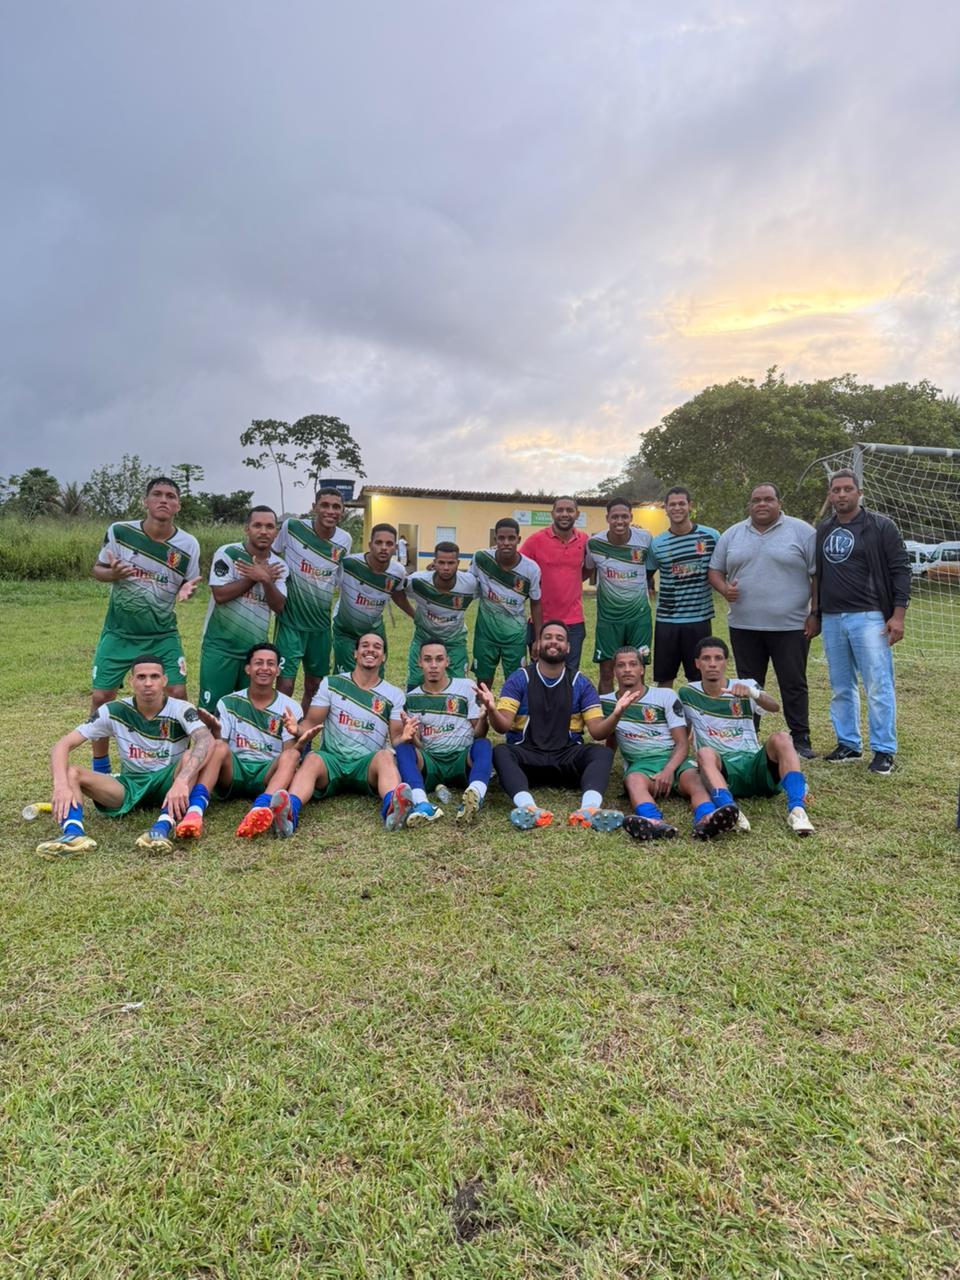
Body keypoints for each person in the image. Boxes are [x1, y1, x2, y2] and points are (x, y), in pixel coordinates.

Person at [38, 656, 214, 858]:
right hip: (130, 785)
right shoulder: (113, 710)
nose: (148, 683)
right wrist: (60, 784)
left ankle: (162, 828)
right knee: (72, 773)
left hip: (169, 781)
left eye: (154, 676)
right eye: (141, 677)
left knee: (190, 756)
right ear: (131, 681)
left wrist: (182, 781)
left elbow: (205, 740)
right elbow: (62, 745)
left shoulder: (181, 708)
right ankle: (74, 834)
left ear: (164, 680)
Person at [89, 476, 201, 772]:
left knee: (177, 694)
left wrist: (187, 590)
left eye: (170, 496)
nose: (164, 500)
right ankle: (100, 766)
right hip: (119, 632)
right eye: (157, 494)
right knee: (102, 696)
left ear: (178, 504)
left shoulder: (188, 544)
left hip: (162, 634)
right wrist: (112, 574)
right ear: (146, 501)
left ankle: (178, 764)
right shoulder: (120, 532)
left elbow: (190, 583)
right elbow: (97, 569)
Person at [809, 469, 910, 775]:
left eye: (847, 489)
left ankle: (883, 750)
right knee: (841, 686)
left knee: (878, 685)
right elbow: (817, 576)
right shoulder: (824, 529)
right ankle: (849, 743)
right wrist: (815, 613)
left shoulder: (880, 526)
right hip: (833, 618)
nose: (841, 494)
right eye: (836, 490)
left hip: (869, 617)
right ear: (830, 495)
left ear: (859, 493)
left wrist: (898, 615)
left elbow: (901, 570)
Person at [477, 620, 619, 831]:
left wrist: (617, 714)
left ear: (568, 647)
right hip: (528, 760)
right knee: (501, 752)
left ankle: (589, 810)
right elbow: (503, 726)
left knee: (602, 754)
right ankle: (529, 808)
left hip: (566, 759)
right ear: (537, 644)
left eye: (560, 638)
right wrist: (492, 709)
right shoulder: (519, 678)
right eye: (548, 637)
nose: (554, 642)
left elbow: (597, 732)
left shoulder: (580, 683)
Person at [708, 483, 816, 759]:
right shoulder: (733, 534)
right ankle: (748, 735)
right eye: (756, 500)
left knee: (793, 683)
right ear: (749, 505)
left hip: (791, 626)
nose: (762, 504)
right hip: (744, 626)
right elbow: (714, 571)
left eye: (768, 499)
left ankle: (801, 738)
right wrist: (723, 589)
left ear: (779, 502)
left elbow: (817, 576)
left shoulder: (802, 531)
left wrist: (815, 613)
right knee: (748, 685)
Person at [591, 646, 739, 841]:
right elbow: (606, 736)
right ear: (614, 670)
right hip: (641, 765)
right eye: (621, 665)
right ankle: (653, 822)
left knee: (695, 781)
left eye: (633, 664)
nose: (627, 669)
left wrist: (669, 770)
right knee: (633, 781)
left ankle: (707, 817)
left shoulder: (664, 696)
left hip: (673, 759)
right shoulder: (606, 702)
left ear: (642, 669)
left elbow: (681, 743)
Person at [678, 636, 815, 836]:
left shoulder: (744, 685)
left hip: (753, 764)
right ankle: (730, 811)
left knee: (782, 738)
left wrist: (753, 693)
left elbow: (775, 707)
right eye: (706, 659)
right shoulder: (687, 693)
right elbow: (682, 730)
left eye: (718, 658)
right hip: (723, 769)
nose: (713, 664)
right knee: (705, 753)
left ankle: (797, 810)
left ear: (726, 662)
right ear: (697, 664)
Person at [282, 633, 413, 833]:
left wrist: (403, 737)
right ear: (355, 653)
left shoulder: (393, 694)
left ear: (384, 656)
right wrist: (297, 729)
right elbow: (311, 721)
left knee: (386, 755)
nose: (371, 650)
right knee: (313, 758)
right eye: (365, 646)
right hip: (332, 762)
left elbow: (395, 736)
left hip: (366, 765)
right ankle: (288, 813)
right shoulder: (331, 683)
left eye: (377, 647)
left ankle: (393, 810)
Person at [191, 643, 303, 839]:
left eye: (271, 664)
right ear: (248, 668)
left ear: (278, 670)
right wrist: (216, 731)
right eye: (258, 663)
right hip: (234, 772)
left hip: (267, 774)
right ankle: (195, 810)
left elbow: (288, 753)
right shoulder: (228, 702)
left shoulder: (290, 707)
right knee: (217, 745)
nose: (265, 668)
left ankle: (259, 808)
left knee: (292, 755)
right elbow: (220, 749)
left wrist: (296, 735)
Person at [198, 506, 288, 714]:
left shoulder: (279, 565)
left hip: (254, 652)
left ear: (276, 532)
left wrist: (266, 579)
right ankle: (209, 747)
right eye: (257, 525)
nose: (263, 531)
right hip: (220, 646)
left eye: (269, 526)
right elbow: (220, 595)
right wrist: (253, 577)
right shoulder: (228, 553)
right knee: (212, 711)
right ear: (247, 529)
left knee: (246, 711)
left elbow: (279, 606)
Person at [393, 641, 494, 825]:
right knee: (402, 748)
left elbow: (479, 734)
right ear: (419, 663)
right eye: (428, 659)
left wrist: (484, 717)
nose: (433, 665)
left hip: (461, 760)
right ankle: (423, 804)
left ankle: (475, 796)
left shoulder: (465, 687)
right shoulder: (412, 698)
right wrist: (411, 735)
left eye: (439, 659)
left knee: (483, 745)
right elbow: (420, 745)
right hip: (431, 762)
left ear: (447, 662)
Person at [274, 487, 353, 711]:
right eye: (325, 505)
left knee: (315, 686)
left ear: (343, 511)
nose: (330, 511)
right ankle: (280, 736)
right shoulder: (293, 527)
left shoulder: (344, 540)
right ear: (314, 507)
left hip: (320, 625)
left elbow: (337, 578)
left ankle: (305, 736)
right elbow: (271, 554)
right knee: (285, 685)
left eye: (336, 507)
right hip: (290, 622)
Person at [646, 487, 720, 687]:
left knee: (699, 679)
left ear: (690, 506)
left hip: (699, 619)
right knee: (664, 678)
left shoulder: (712, 537)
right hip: (667, 621)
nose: (677, 508)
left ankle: (697, 718)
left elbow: (723, 569)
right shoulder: (657, 544)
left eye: (681, 503)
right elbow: (646, 574)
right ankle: (666, 718)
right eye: (672, 504)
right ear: (666, 509)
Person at [585, 496, 655, 694]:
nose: (619, 521)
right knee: (606, 672)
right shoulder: (594, 543)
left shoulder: (645, 539)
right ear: (607, 518)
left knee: (637, 671)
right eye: (615, 517)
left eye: (624, 516)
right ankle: (606, 720)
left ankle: (635, 719)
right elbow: (586, 570)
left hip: (639, 617)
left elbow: (650, 569)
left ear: (631, 517)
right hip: (608, 619)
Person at [331, 523, 413, 674]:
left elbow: (397, 594)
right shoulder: (349, 564)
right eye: (379, 542)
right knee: (346, 678)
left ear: (395, 548)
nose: (384, 548)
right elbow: (327, 582)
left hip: (374, 629)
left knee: (375, 675)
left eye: (389, 544)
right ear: (370, 545)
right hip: (345, 629)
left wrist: (416, 616)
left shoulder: (398, 572)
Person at [470, 518, 542, 685]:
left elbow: (536, 603)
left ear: (518, 539)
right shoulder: (481, 558)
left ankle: (513, 712)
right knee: (483, 682)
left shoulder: (531, 569)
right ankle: (484, 711)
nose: (506, 543)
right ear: (495, 540)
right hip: (485, 634)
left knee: (516, 682)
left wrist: (538, 639)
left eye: (511, 538)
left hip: (515, 636)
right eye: (501, 538)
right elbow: (467, 582)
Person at [522, 496, 589, 670]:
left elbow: (589, 569)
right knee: (539, 671)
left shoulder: (584, 540)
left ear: (577, 514)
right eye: (560, 510)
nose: (564, 514)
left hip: (574, 622)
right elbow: (519, 568)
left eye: (569, 510)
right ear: (552, 513)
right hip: (541, 621)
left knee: (570, 673)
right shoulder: (535, 540)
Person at [404, 542, 478, 688]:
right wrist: (414, 615)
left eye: (451, 563)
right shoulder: (418, 581)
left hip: (454, 641)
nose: (446, 568)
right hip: (424, 638)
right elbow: (397, 590)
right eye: (441, 562)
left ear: (458, 563)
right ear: (434, 563)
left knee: (460, 686)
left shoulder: (470, 583)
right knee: (415, 683)